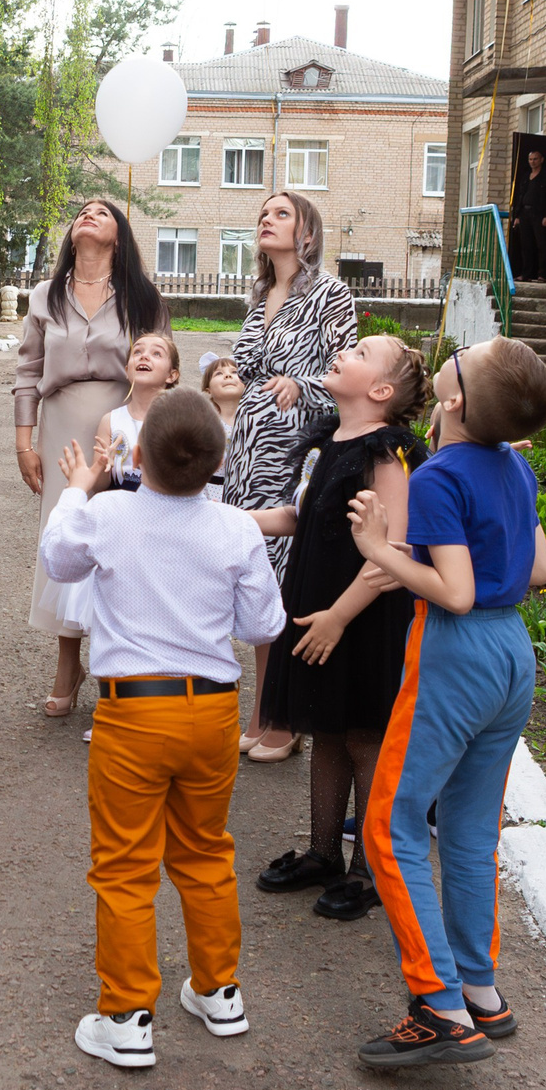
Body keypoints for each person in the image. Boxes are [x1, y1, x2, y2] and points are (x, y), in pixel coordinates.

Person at [39, 389, 284, 1069]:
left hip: (134, 710)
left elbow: (59, 560)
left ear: (137, 457)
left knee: (125, 863)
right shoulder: (237, 527)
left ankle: (126, 1016)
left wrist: (78, 489)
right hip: (213, 710)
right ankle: (219, 991)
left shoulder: (107, 513)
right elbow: (262, 625)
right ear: (218, 462)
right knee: (205, 852)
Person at [347, 336, 546, 1068]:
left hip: (456, 653)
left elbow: (457, 593)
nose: (461, 348)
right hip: (513, 655)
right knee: (470, 829)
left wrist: (380, 549)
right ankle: (480, 989)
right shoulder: (517, 466)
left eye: (470, 355)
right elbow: (539, 568)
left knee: (390, 824)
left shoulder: (438, 477)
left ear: (455, 398)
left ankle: (438, 1006)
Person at [246, 337, 431, 903]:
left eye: (362, 353)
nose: (345, 351)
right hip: (320, 607)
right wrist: (220, 518)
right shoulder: (331, 440)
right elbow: (298, 517)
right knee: (326, 728)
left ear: (380, 390)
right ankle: (324, 852)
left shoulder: (387, 453)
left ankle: (369, 869)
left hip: (363, 617)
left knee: (363, 737)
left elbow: (392, 556)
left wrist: (338, 618)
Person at [222, 191, 359, 759]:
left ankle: (287, 716)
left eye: (281, 213)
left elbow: (349, 368)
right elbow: (246, 367)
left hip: (295, 448)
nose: (267, 219)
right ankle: (263, 711)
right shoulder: (260, 295)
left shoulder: (330, 292)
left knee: (283, 581)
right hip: (248, 451)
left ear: (308, 234)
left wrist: (301, 384)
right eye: (263, 213)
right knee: (255, 579)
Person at [14, 199, 164, 718]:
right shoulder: (45, 294)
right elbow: (27, 372)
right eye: (83, 210)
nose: (90, 214)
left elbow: (162, 366)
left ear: (118, 235)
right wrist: (24, 444)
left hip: (124, 423)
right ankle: (67, 664)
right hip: (60, 427)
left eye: (103, 211)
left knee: (122, 536)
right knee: (67, 535)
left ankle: (122, 663)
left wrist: (154, 438)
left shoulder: (142, 295)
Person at [90, 331, 180, 495]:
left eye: (157, 353)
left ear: (171, 375)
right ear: (127, 370)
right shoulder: (110, 420)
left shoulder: (181, 420)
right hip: (119, 507)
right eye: (137, 351)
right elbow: (98, 486)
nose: (144, 356)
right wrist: (103, 465)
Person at [197, 354, 245, 501]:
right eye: (219, 373)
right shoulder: (204, 422)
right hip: (210, 493)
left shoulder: (254, 421)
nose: (228, 376)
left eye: (234, 372)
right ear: (208, 389)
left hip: (246, 492)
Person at [511, 146, 546, 282]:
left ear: (541, 160)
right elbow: (520, 196)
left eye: (535, 159)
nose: (532, 162)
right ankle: (526, 274)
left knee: (541, 245)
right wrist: (517, 216)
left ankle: (542, 274)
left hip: (539, 214)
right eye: (530, 159)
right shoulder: (526, 177)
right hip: (524, 214)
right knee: (526, 245)